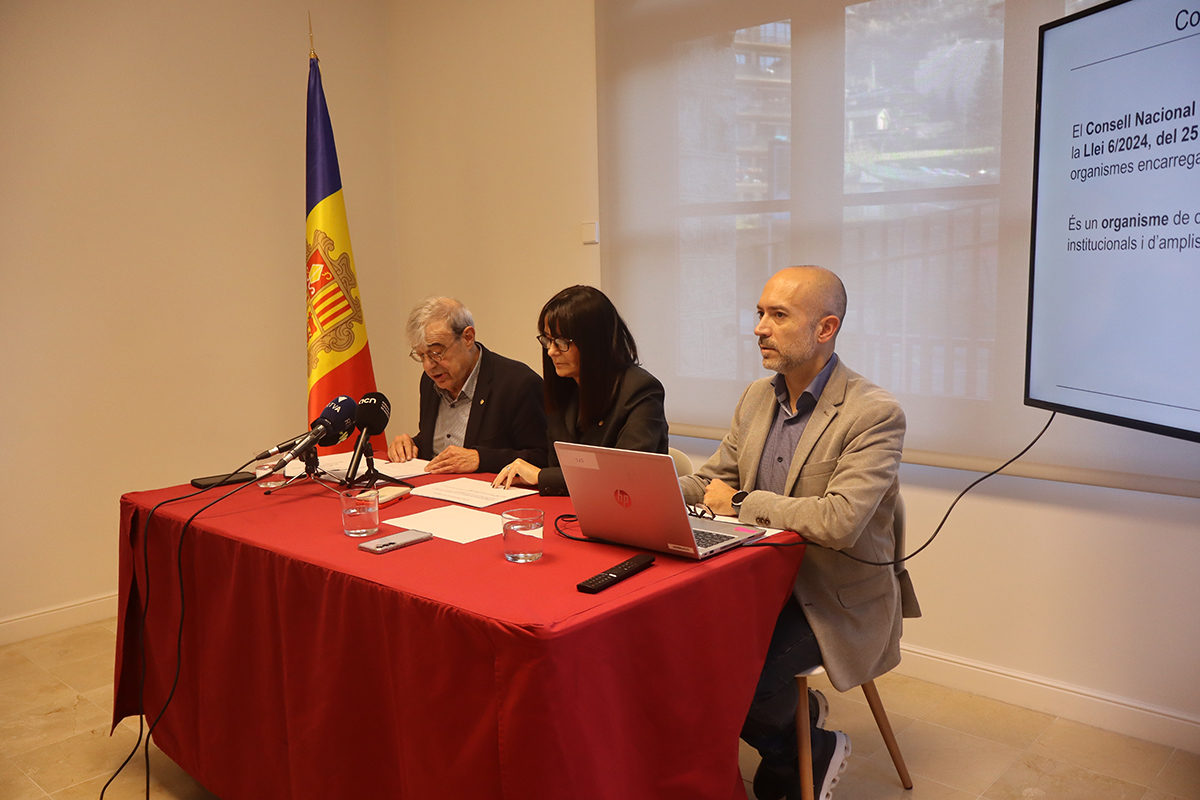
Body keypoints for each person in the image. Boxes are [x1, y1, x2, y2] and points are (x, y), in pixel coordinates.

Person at [678, 266, 917, 800]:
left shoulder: (874, 414)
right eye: (760, 313)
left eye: (779, 315)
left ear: (825, 328)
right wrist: (652, 489)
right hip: (755, 579)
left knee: (739, 683)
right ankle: (797, 724)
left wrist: (742, 503)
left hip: (831, 595)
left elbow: (839, 520)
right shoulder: (756, 397)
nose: (759, 327)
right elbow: (715, 480)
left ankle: (807, 746)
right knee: (685, 657)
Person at [492, 285, 669, 495]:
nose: (551, 351)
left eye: (561, 342)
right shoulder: (564, 387)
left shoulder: (642, 390)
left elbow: (625, 474)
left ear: (594, 343)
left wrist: (541, 476)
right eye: (548, 340)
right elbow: (557, 464)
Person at [388, 296, 547, 474]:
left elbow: (543, 458)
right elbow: (439, 446)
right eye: (421, 356)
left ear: (468, 338)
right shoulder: (430, 381)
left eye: (436, 353)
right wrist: (411, 445)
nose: (428, 366)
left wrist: (481, 459)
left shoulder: (518, 384)